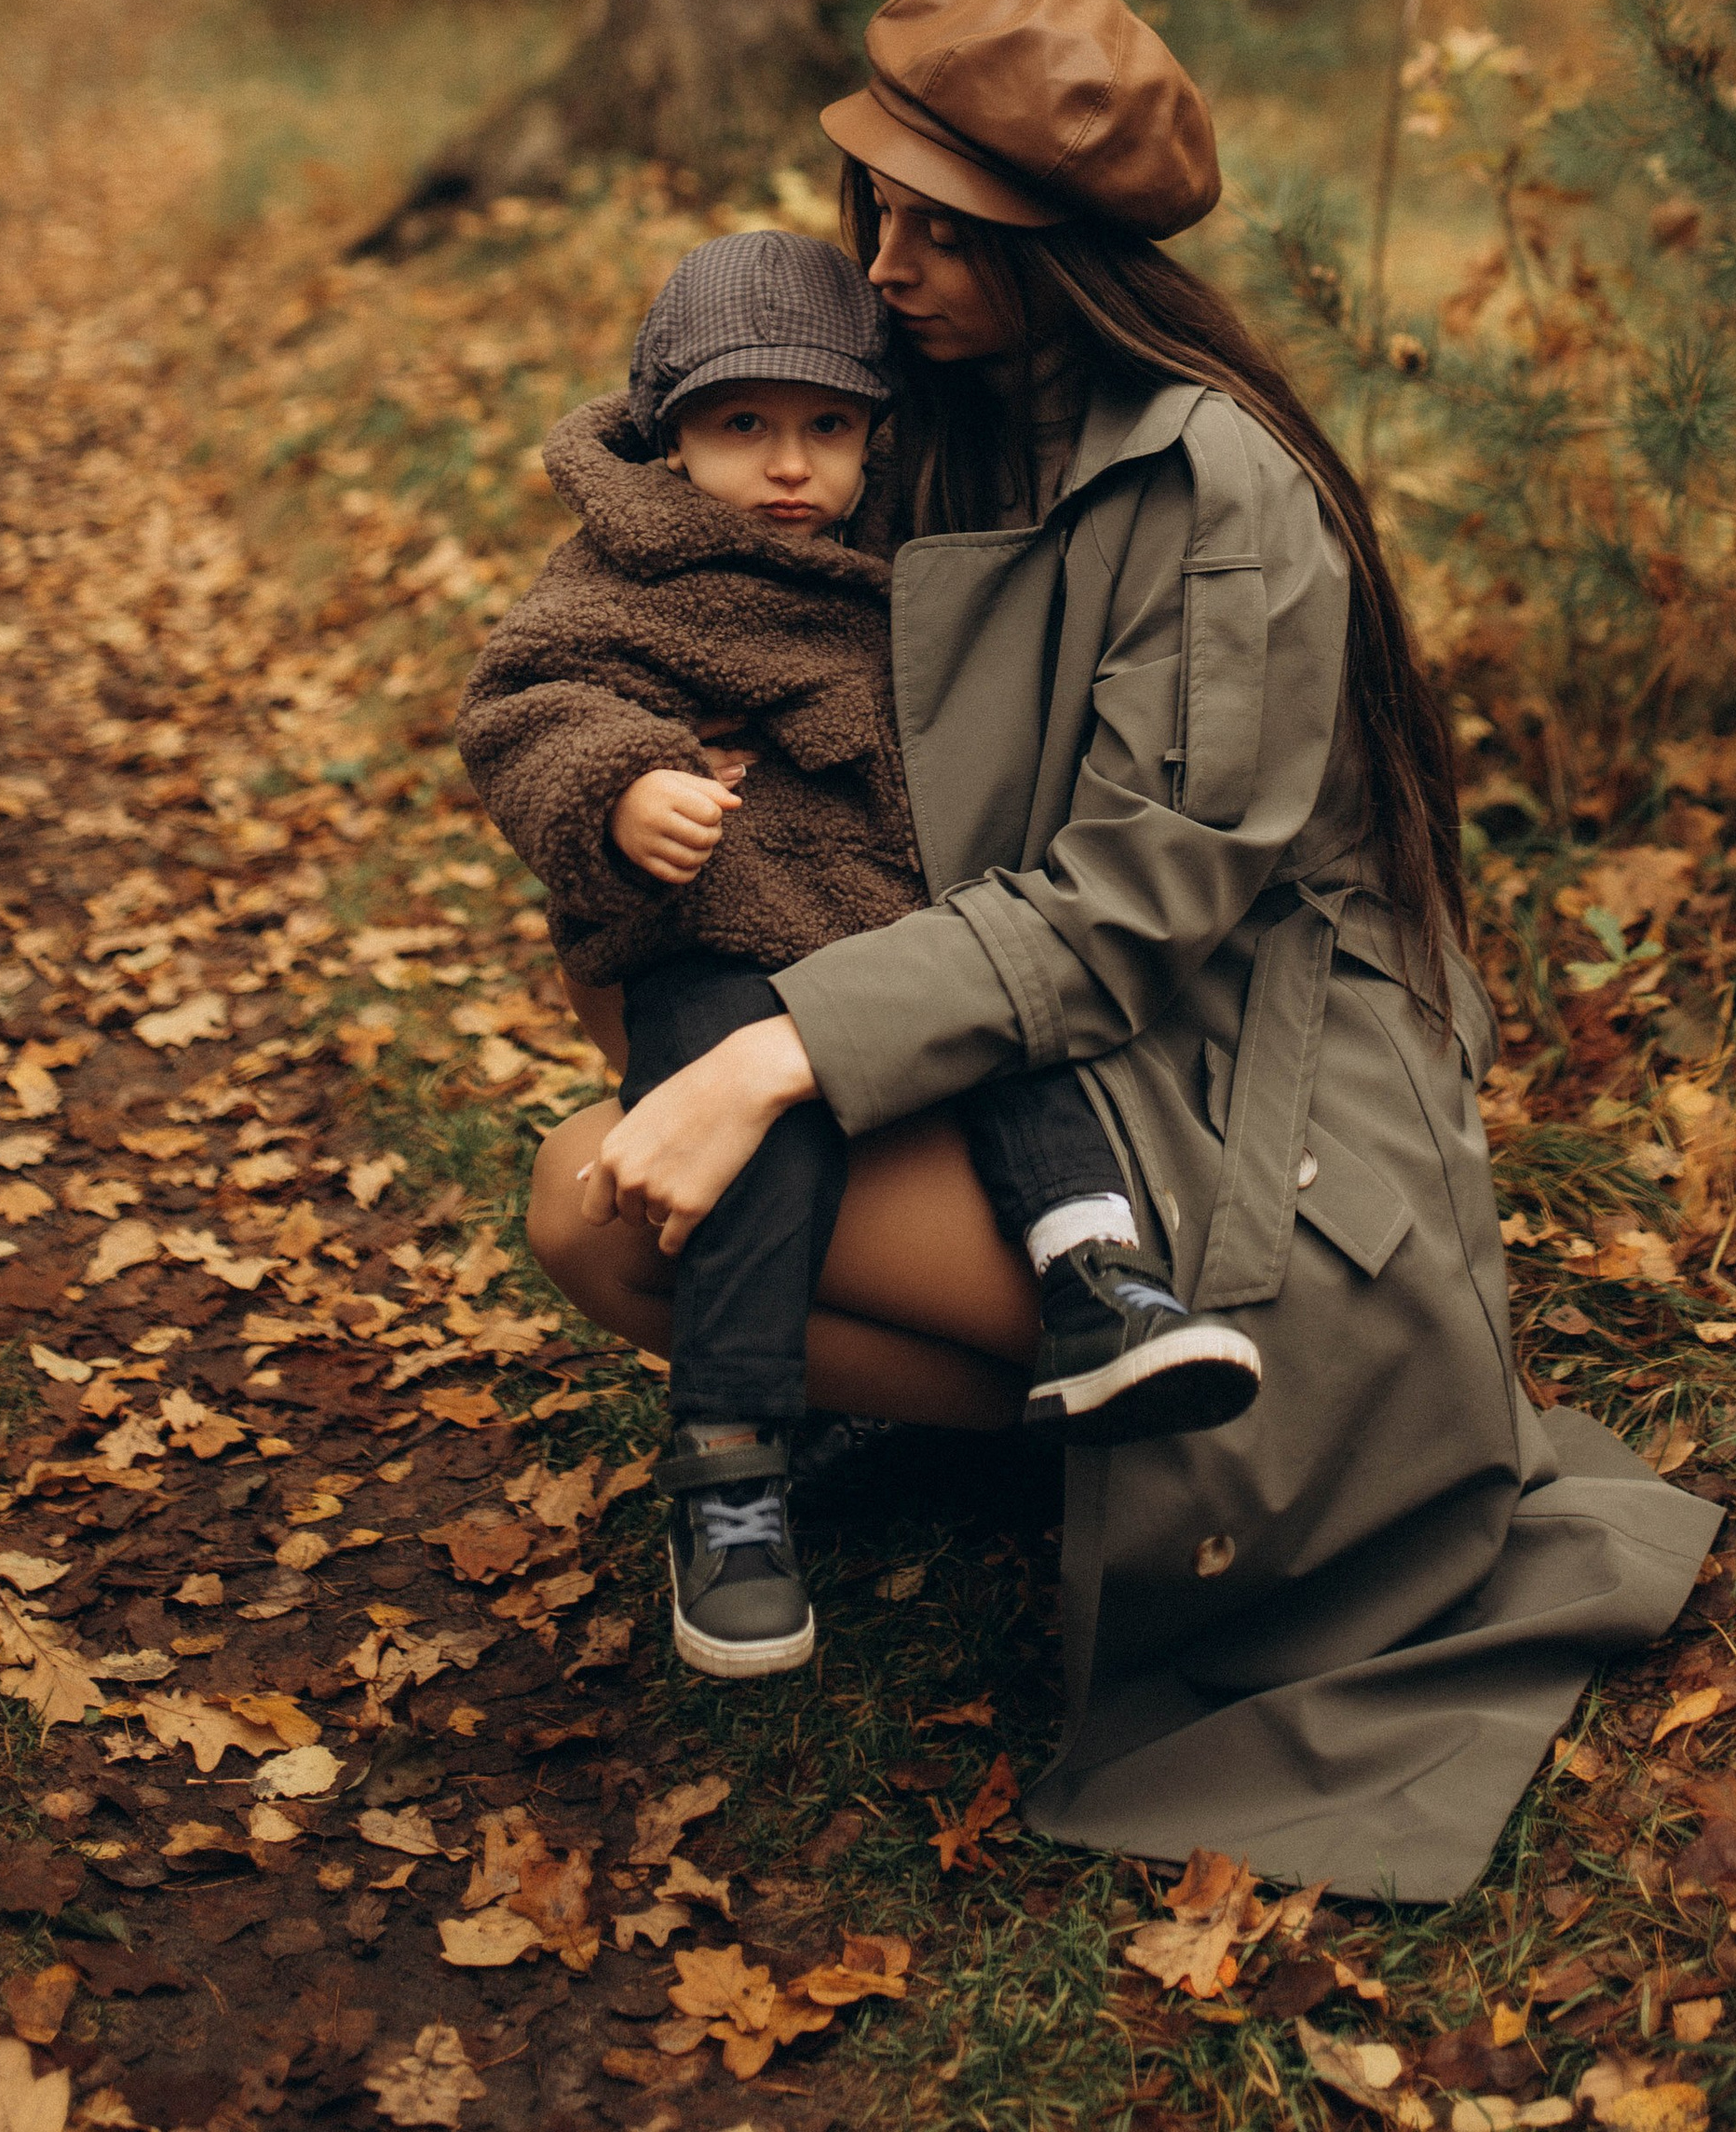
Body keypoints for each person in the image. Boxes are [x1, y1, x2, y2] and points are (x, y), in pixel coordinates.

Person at [525, 0, 1721, 1899]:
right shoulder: (934, 419)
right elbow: (665, 526)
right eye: (880, 211)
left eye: (940, 229)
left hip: (1236, 1100)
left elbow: (1125, 911)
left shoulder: (1214, 487)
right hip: (1049, 1046)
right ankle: (1048, 1414)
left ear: (1058, 250)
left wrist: (773, 1051)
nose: (887, 264)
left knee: (605, 1198)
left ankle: (1139, 1436)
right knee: (654, 993)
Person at [456, 227, 1257, 1682]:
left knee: (1011, 1034)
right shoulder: (631, 564)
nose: (789, 466)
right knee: (760, 1153)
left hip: (901, 924)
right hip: (729, 928)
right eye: (743, 426)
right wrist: (626, 781)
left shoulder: (901, 551)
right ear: (665, 429)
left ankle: (1097, 1281)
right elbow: (528, 696)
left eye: (828, 427)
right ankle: (735, 1467)